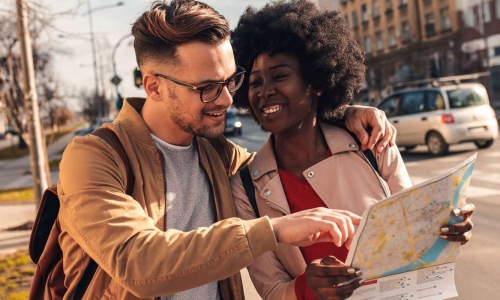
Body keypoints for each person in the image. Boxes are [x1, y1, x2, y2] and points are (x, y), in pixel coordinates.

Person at [56, 1, 399, 299]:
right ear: (154, 87)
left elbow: (288, 150)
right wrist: (274, 231)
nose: (226, 99)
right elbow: (138, 261)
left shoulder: (219, 153)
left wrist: (340, 115)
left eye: (230, 81)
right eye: (207, 88)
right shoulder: (94, 157)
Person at [229, 1, 475, 299]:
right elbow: (271, 290)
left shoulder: (371, 142)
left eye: (280, 76)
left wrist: (448, 230)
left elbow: (415, 238)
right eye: (255, 82)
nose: (264, 90)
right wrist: (307, 287)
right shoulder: (245, 186)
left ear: (315, 82)